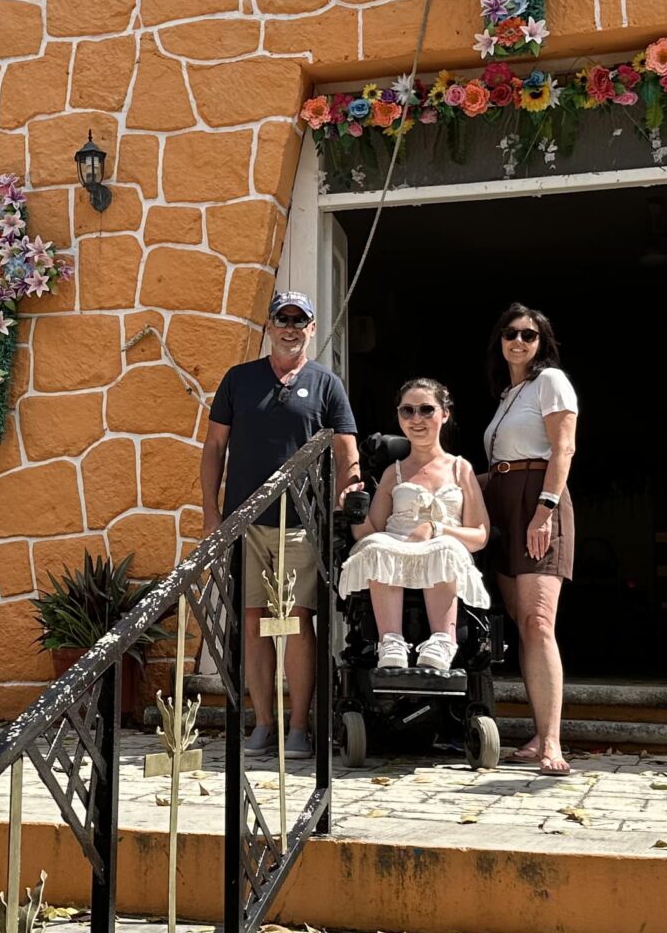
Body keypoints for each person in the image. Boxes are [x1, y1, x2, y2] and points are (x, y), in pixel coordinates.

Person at [200, 290, 360, 758]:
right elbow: (214, 448)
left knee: (294, 622)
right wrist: (212, 515)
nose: (290, 327)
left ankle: (299, 729)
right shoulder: (238, 379)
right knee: (252, 622)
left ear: (312, 328)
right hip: (244, 525)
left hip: (301, 525)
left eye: (300, 320)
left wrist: (346, 498)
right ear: (269, 326)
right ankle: (263, 725)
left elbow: (345, 450)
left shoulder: (327, 383)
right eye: (282, 318)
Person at [482, 303, 579, 775]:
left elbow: (563, 447)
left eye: (529, 335)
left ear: (542, 342)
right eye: (510, 333)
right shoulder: (508, 393)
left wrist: (545, 510)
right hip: (502, 501)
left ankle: (553, 743)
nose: (518, 342)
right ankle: (539, 732)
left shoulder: (551, 382)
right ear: (499, 341)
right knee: (522, 624)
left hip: (537, 499)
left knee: (540, 621)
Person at [339, 377, 490, 670]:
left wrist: (437, 529)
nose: (416, 418)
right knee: (376, 546)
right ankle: (390, 640)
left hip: (443, 552)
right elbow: (369, 534)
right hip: (398, 550)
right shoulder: (392, 473)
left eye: (426, 410)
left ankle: (443, 639)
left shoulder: (460, 469)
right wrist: (354, 512)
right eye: (407, 411)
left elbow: (480, 535)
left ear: (444, 414)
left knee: (443, 547)